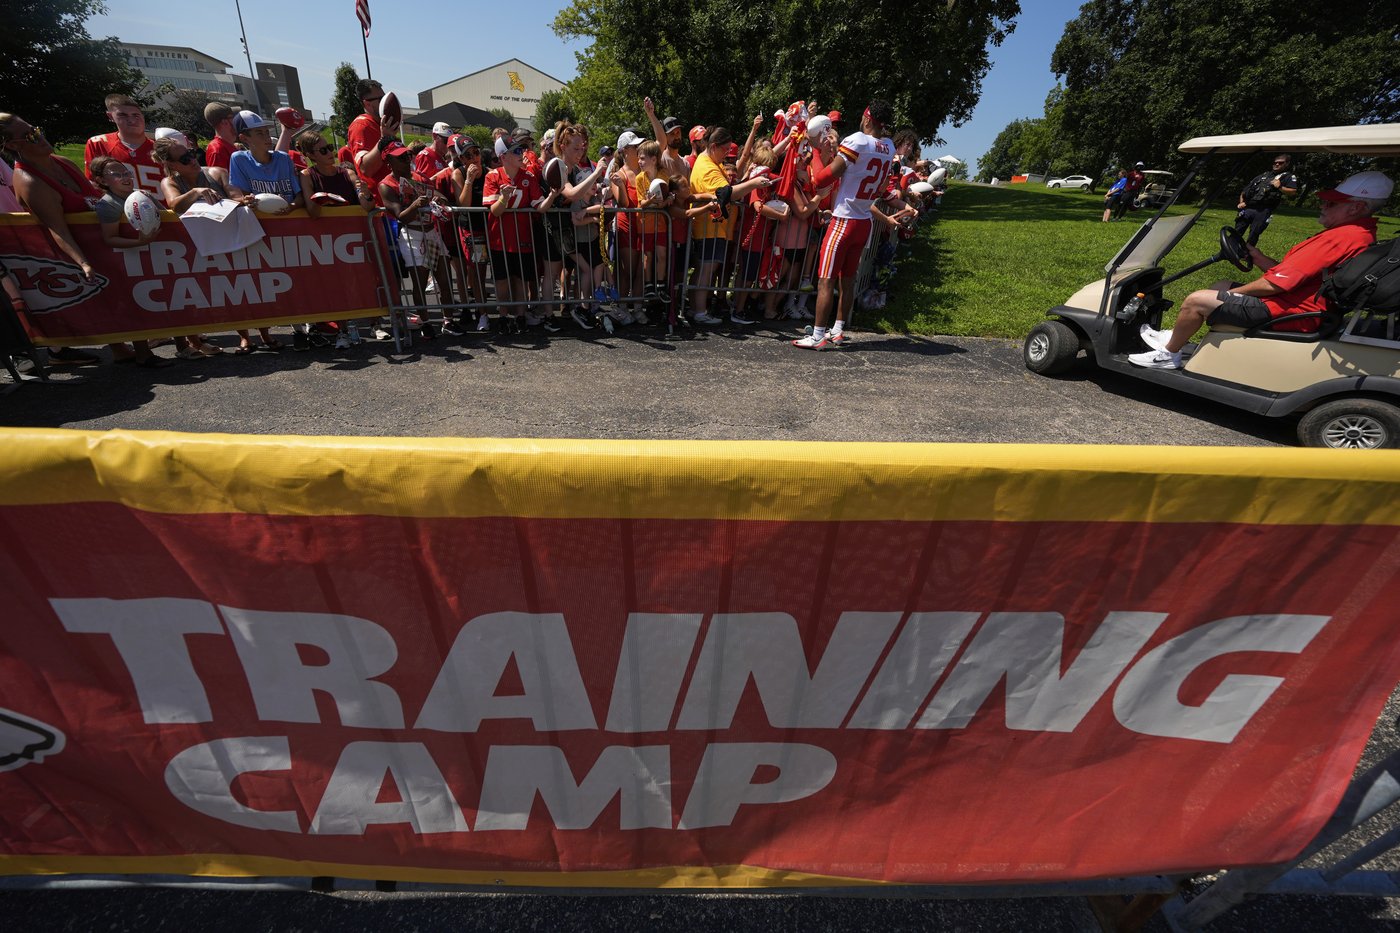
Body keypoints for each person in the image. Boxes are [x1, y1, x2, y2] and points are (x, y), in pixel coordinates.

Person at [1131, 171, 1391, 371]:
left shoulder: (1340, 238)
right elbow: (1298, 274)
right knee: (1220, 285)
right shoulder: (1358, 233)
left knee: (1197, 300)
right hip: (1301, 304)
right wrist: (1258, 258)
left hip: (1295, 311)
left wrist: (1235, 295)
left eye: (1331, 204)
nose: (1323, 206)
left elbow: (1276, 285)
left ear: (1356, 207)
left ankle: (1169, 354)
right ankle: (1178, 337)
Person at [792, 100, 914, 350]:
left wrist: (817, 151)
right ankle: (837, 330)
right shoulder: (889, 147)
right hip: (864, 222)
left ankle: (817, 335)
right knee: (847, 280)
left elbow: (821, 180)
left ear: (867, 118)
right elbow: (880, 185)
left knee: (826, 279)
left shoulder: (856, 141)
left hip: (843, 220)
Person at [87, 155, 172, 368]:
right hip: (127, 262)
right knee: (134, 306)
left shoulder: (142, 195)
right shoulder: (107, 205)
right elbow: (109, 238)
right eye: (117, 174)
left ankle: (183, 345)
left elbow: (166, 217)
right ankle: (143, 354)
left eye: (126, 172)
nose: (125, 177)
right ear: (102, 180)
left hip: (154, 257)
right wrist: (139, 242)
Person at [152, 135, 229, 359]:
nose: (193, 160)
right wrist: (196, 192)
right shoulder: (170, 182)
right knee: (189, 293)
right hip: (188, 245)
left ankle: (245, 336)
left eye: (192, 153)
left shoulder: (215, 173)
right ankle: (192, 342)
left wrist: (245, 200)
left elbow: (235, 194)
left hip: (219, 240)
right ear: (171, 164)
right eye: (185, 159)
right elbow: (174, 204)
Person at [687, 126, 773, 324]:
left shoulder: (709, 161)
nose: (727, 154)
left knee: (704, 269)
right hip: (710, 227)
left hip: (714, 226)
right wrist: (753, 184)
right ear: (714, 146)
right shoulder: (707, 166)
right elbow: (725, 193)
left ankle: (695, 309)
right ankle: (699, 311)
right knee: (706, 270)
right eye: (725, 149)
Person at [483, 133, 543, 333]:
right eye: (516, 151)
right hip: (499, 240)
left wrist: (554, 194)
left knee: (520, 280)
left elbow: (540, 205)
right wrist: (503, 198)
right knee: (501, 281)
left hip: (523, 237)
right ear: (503, 156)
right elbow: (494, 211)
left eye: (522, 149)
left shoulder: (528, 177)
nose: (522, 153)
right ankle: (502, 316)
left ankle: (520, 316)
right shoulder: (492, 176)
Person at [83, 94, 165, 203]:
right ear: (110, 116)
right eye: (123, 115)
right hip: (118, 210)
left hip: (162, 210)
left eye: (135, 115)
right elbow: (93, 185)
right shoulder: (99, 143)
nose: (131, 120)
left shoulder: (161, 148)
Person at [1235, 154, 1299, 245]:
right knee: (1237, 230)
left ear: (1287, 164)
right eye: (1275, 162)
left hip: (1264, 210)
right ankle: (1230, 248)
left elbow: (1292, 191)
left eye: (1280, 163)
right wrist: (1242, 202)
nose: (1277, 164)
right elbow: (1245, 190)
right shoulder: (1264, 175)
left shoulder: (1287, 176)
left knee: (1254, 234)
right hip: (1248, 207)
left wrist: (1280, 187)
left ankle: (1248, 251)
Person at [642, 97, 688, 177]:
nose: (676, 136)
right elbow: (660, 140)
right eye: (672, 133)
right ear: (665, 136)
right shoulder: (659, 160)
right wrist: (651, 114)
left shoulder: (685, 163)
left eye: (678, 132)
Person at [203, 103, 239, 171]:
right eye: (233, 117)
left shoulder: (226, 145)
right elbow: (220, 178)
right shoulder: (217, 151)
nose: (237, 120)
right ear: (224, 122)